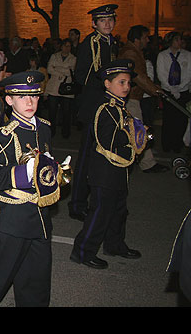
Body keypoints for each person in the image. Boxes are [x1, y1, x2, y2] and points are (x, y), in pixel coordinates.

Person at [0, 70, 64, 307]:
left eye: (34, 96)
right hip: (14, 218)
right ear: (9, 100)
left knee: (37, 280)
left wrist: (54, 173)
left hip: (40, 218)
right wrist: (27, 172)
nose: (30, 102)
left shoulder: (44, 128)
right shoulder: (2, 136)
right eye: (22, 97)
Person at [70, 59, 143, 269]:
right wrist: (131, 135)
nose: (126, 87)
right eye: (121, 82)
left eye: (128, 83)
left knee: (119, 210)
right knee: (100, 212)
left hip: (118, 169)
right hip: (104, 171)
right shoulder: (105, 109)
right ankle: (83, 251)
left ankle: (115, 244)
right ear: (107, 84)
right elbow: (107, 140)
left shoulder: (120, 108)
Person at [69, 4, 118, 221]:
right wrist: (104, 85)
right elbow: (81, 75)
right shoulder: (91, 43)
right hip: (94, 106)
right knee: (87, 156)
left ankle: (97, 199)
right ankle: (77, 203)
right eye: (103, 21)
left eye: (111, 20)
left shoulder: (111, 42)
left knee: (104, 157)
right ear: (94, 24)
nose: (107, 24)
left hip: (108, 105)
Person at [119, 25, 167, 173]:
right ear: (137, 39)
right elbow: (138, 76)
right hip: (130, 97)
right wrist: (155, 90)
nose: (148, 40)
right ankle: (147, 163)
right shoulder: (130, 53)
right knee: (138, 131)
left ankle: (138, 161)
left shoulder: (133, 51)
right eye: (145, 37)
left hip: (132, 96)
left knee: (134, 131)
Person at [157, 31, 191, 154]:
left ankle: (178, 144)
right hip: (168, 91)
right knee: (169, 119)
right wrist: (170, 88)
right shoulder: (163, 56)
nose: (179, 42)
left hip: (183, 91)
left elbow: (188, 73)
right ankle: (167, 144)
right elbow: (161, 74)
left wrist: (180, 87)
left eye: (180, 40)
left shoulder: (187, 55)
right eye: (177, 40)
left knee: (181, 119)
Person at [46, 38, 77, 139]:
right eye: (65, 46)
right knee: (52, 112)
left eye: (69, 46)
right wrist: (62, 71)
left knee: (66, 112)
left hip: (66, 89)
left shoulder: (73, 59)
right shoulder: (54, 56)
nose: (67, 48)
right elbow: (50, 69)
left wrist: (57, 68)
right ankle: (51, 131)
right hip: (54, 88)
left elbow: (71, 72)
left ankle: (65, 132)